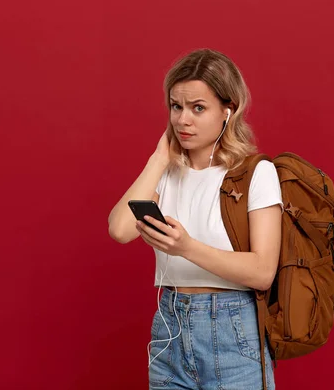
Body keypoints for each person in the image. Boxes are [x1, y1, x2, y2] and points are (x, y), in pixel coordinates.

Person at [108, 48, 283, 390]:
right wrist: (158, 159)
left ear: (227, 111)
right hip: (170, 329)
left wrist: (186, 247)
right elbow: (119, 229)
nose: (182, 120)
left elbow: (263, 272)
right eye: (177, 106)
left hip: (233, 331)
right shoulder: (168, 172)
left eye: (198, 108)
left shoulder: (255, 173)